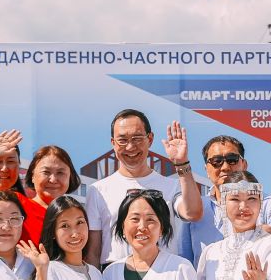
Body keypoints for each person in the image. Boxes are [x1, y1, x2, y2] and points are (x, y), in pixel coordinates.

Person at [85, 110, 203, 264]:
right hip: (113, 279)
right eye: (122, 140)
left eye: (137, 138)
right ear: (113, 143)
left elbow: (193, 213)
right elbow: (93, 253)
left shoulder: (172, 186)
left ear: (150, 139)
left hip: (163, 276)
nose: (130, 147)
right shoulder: (97, 191)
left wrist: (181, 163)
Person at [177, 135, 271, 264]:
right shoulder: (196, 208)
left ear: (244, 164)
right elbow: (185, 261)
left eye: (232, 159)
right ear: (206, 169)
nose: (225, 167)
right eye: (216, 161)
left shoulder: (269, 204)